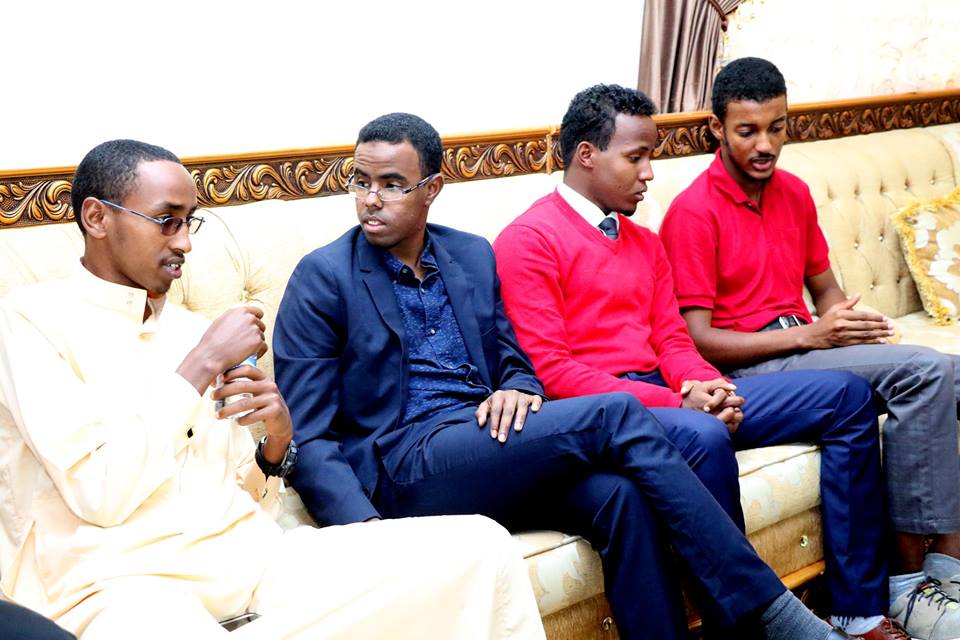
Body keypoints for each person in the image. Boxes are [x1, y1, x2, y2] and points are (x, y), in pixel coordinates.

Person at [274, 111, 865, 640]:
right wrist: (370, 537)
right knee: (616, 413)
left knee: (620, 498)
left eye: (391, 184)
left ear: (431, 188)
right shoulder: (324, 277)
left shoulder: (470, 255)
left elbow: (514, 360)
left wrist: (517, 386)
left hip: (486, 440)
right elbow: (311, 435)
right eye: (360, 182)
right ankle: (770, 614)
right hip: (404, 461)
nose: (371, 200)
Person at [0, 139, 545, 640]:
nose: (185, 242)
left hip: (253, 562)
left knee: (481, 548)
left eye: (190, 223)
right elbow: (100, 492)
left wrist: (275, 445)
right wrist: (199, 367)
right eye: (167, 222)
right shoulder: (28, 323)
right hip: (122, 585)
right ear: (97, 217)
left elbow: (249, 502)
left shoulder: (191, 330)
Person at [492, 83, 904, 639]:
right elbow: (552, 372)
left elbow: (673, 339)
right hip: (603, 413)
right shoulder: (528, 240)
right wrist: (678, 401)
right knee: (703, 434)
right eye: (636, 158)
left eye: (650, 157)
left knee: (848, 397)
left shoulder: (643, 241)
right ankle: (747, 629)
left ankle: (857, 612)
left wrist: (710, 387)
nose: (649, 174)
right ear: (587, 154)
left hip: (670, 394)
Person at [658, 56, 960, 640]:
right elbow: (696, 339)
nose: (765, 144)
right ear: (716, 128)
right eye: (748, 131)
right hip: (755, 367)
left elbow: (826, 292)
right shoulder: (694, 211)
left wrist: (850, 322)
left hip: (805, 347)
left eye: (777, 127)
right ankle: (908, 584)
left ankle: (946, 571)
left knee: (949, 374)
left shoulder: (793, 193)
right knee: (926, 373)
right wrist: (812, 335)